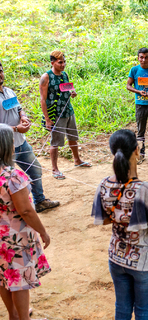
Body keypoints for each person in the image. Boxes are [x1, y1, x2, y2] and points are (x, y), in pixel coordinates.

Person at [91, 129, 148, 320]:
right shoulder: (145, 190)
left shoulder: (103, 185)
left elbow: (106, 219)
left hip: (116, 257)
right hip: (144, 261)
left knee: (122, 309)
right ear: (137, 150)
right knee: (142, 312)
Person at [0, 124, 51, 320]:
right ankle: (23, 318)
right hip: (16, 238)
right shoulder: (12, 176)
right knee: (19, 280)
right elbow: (26, 210)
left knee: (4, 277)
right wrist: (43, 232)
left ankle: (13, 314)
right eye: (12, 142)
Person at [0, 62, 59, 213]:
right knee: (7, 178)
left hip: (20, 143)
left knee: (35, 170)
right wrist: (15, 128)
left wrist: (24, 117)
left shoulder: (8, 91)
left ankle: (39, 201)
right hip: (4, 147)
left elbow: (19, 108)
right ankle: (13, 208)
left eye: (0, 71)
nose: (0, 75)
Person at [39, 50, 91, 180]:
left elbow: (68, 89)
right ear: (52, 62)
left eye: (64, 62)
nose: (63, 64)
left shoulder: (64, 75)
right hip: (56, 113)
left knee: (73, 137)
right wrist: (47, 119)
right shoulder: (46, 77)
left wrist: (72, 92)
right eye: (60, 62)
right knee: (55, 141)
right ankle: (54, 169)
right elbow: (42, 99)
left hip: (68, 111)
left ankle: (77, 160)